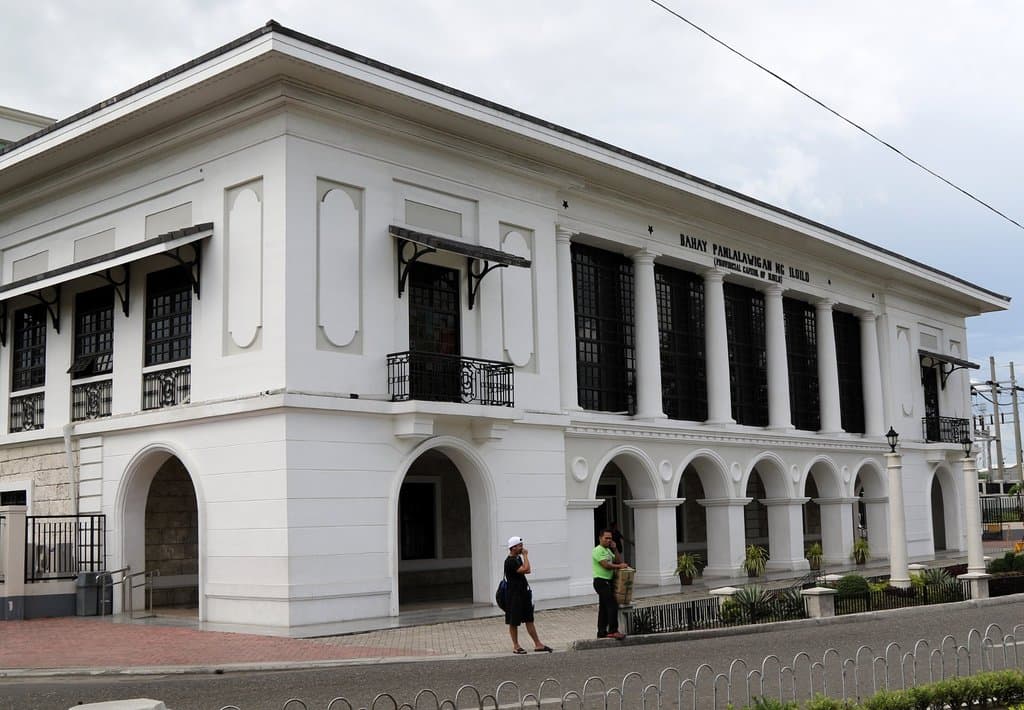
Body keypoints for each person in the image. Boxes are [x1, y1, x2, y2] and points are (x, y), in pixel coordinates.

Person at [504, 536, 553, 654]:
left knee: (529, 619)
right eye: (520, 546)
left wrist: (523, 557)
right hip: (514, 595)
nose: (522, 548)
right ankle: (516, 646)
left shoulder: (518, 559)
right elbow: (526, 569)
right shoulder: (510, 561)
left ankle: (538, 644)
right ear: (513, 547)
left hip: (524, 593)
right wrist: (525, 555)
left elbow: (528, 570)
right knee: (514, 621)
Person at [593, 528, 629, 640]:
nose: (608, 540)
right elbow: (606, 565)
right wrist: (619, 566)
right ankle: (613, 630)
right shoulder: (598, 550)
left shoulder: (608, 550)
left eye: (610, 538)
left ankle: (602, 631)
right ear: (600, 538)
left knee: (604, 607)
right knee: (612, 604)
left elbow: (618, 560)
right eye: (606, 538)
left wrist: (615, 548)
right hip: (601, 581)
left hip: (608, 581)